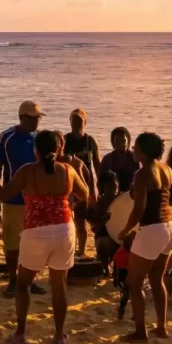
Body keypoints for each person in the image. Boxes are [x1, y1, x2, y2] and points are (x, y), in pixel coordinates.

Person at [0, 129, 90, 344]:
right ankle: (59, 335)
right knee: (58, 285)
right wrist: (80, 169)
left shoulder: (28, 171)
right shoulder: (67, 170)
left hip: (36, 231)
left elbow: (2, 194)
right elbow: (86, 195)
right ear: (59, 149)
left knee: (23, 283)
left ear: (36, 150)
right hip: (64, 229)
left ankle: (20, 333)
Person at [117, 132, 172, 342]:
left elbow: (139, 209)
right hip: (171, 226)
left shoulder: (143, 174)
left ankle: (140, 332)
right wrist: (161, 204)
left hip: (152, 228)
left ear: (143, 151)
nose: (133, 150)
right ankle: (161, 327)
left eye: (135, 147)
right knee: (157, 279)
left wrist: (126, 230)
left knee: (134, 283)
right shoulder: (166, 169)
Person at [0, 101, 46, 298]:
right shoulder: (7, 137)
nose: (37, 120)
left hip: (35, 198)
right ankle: (14, 279)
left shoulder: (39, 138)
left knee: (34, 242)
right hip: (12, 199)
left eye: (38, 117)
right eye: (33, 117)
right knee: (12, 242)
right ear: (22, 117)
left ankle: (30, 279)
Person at [64, 109, 101, 257]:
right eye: (74, 120)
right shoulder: (65, 140)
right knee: (67, 220)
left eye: (80, 120)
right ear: (70, 121)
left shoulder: (90, 141)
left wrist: (98, 189)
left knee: (82, 220)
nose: (77, 123)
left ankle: (81, 250)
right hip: (68, 185)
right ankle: (69, 249)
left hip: (86, 185)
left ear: (85, 122)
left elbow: (97, 166)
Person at [55, 129, 96, 258]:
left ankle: (82, 251)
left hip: (75, 195)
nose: (59, 144)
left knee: (80, 223)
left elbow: (88, 175)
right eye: (56, 141)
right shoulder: (48, 161)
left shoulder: (72, 159)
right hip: (58, 200)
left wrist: (92, 194)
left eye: (61, 140)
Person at [100, 127, 138, 193]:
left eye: (124, 141)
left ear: (128, 142)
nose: (121, 144)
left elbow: (140, 179)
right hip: (112, 196)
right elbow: (100, 182)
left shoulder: (135, 159)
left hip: (130, 195)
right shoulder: (107, 159)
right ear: (113, 143)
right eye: (118, 141)